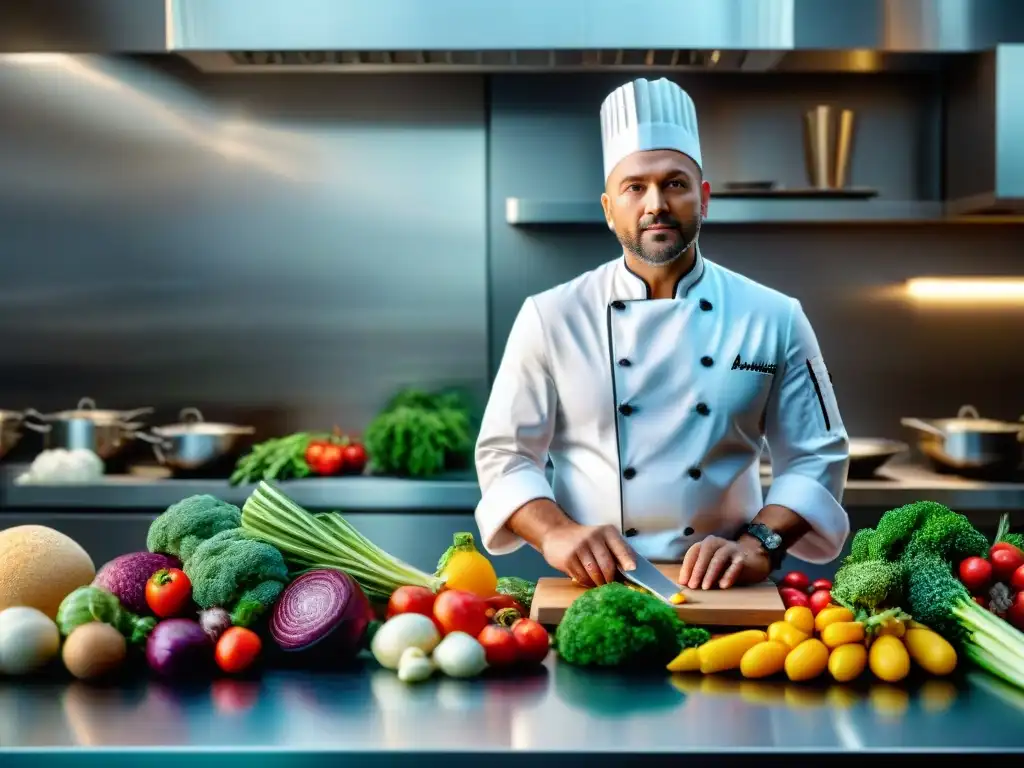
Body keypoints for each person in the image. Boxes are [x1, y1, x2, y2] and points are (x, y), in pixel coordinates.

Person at [474, 77, 850, 592]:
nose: (656, 203)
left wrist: (758, 544)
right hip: (593, 591)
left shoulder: (774, 316)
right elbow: (505, 453)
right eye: (635, 187)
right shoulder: (550, 316)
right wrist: (556, 532)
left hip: (728, 590)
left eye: (675, 183)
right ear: (609, 208)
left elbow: (816, 453)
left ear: (704, 199)